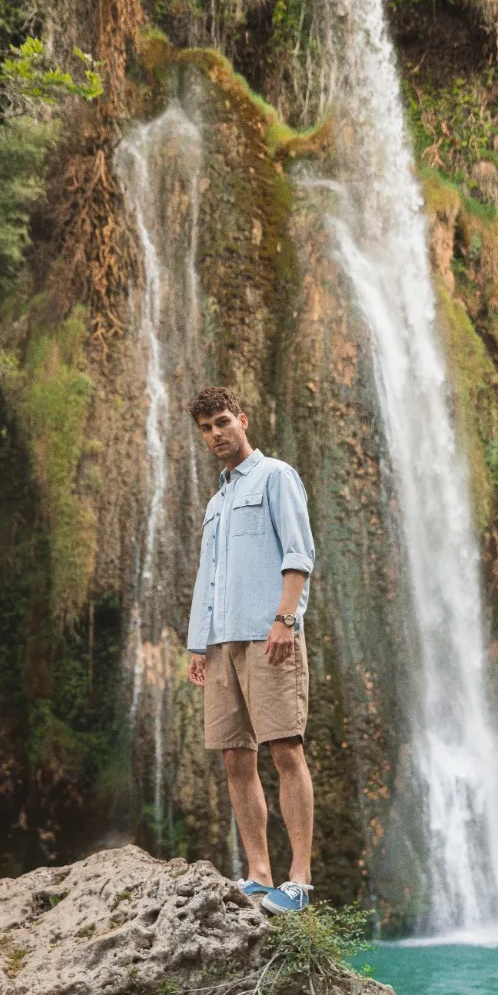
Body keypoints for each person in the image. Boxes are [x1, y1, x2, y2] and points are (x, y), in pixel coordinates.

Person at [186, 386, 316, 914]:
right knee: (235, 758)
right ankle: (258, 874)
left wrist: (286, 619)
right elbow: (207, 577)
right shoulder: (216, 502)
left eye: (223, 422)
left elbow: (299, 552)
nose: (216, 434)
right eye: (206, 428)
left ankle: (299, 880)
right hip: (219, 643)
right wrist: (198, 643)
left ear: (243, 419)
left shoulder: (276, 476)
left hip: (270, 636)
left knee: (285, 748)